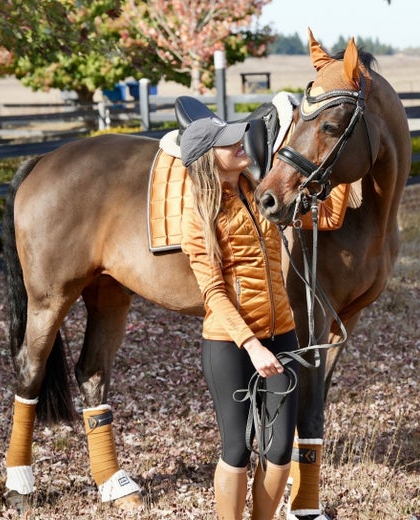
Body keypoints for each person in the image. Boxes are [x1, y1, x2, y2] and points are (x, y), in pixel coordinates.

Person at [179, 115, 300, 520]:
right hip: (229, 345)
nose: (240, 144)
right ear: (207, 158)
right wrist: (251, 346)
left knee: (281, 448)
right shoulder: (200, 214)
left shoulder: (257, 189)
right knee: (236, 448)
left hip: (282, 331)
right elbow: (212, 292)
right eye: (228, 143)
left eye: (237, 138)